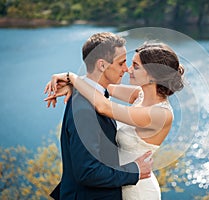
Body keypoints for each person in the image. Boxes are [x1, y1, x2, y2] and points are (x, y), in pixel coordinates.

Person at [45, 42, 185, 199]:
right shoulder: (140, 95)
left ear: (152, 75)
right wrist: (74, 86)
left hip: (138, 188)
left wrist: (72, 77)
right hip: (120, 182)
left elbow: (103, 106)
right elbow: (102, 87)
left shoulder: (160, 114)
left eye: (135, 66)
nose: (128, 70)